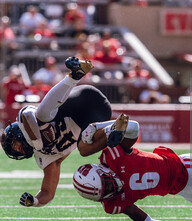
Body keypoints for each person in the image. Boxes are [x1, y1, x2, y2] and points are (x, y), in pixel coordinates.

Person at [0, 57, 135, 208]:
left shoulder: (26, 122)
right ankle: (111, 130)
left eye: (15, 145)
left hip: (81, 99)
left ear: (17, 133)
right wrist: (35, 201)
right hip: (94, 117)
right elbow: (48, 192)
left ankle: (74, 75)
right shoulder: (44, 157)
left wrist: (39, 143)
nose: (19, 149)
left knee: (42, 116)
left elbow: (27, 114)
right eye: (16, 151)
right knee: (83, 148)